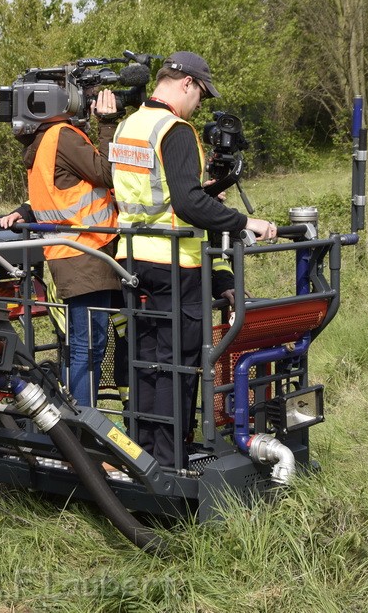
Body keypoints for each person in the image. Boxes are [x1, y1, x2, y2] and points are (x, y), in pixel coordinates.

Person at [109, 51, 277, 468]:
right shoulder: (175, 129)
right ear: (186, 84)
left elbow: (155, 193)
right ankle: (168, 464)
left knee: (145, 359)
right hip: (174, 264)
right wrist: (246, 221)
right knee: (178, 365)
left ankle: (140, 453)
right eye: (200, 94)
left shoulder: (130, 125)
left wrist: (199, 192)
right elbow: (185, 203)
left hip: (131, 259)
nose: (199, 104)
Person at [0, 89, 123, 408]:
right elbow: (107, 173)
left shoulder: (44, 141)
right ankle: (81, 429)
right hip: (87, 252)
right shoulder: (63, 135)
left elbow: (59, 190)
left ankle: (77, 425)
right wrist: (107, 125)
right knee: (88, 347)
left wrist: (23, 211)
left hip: (71, 254)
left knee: (86, 345)